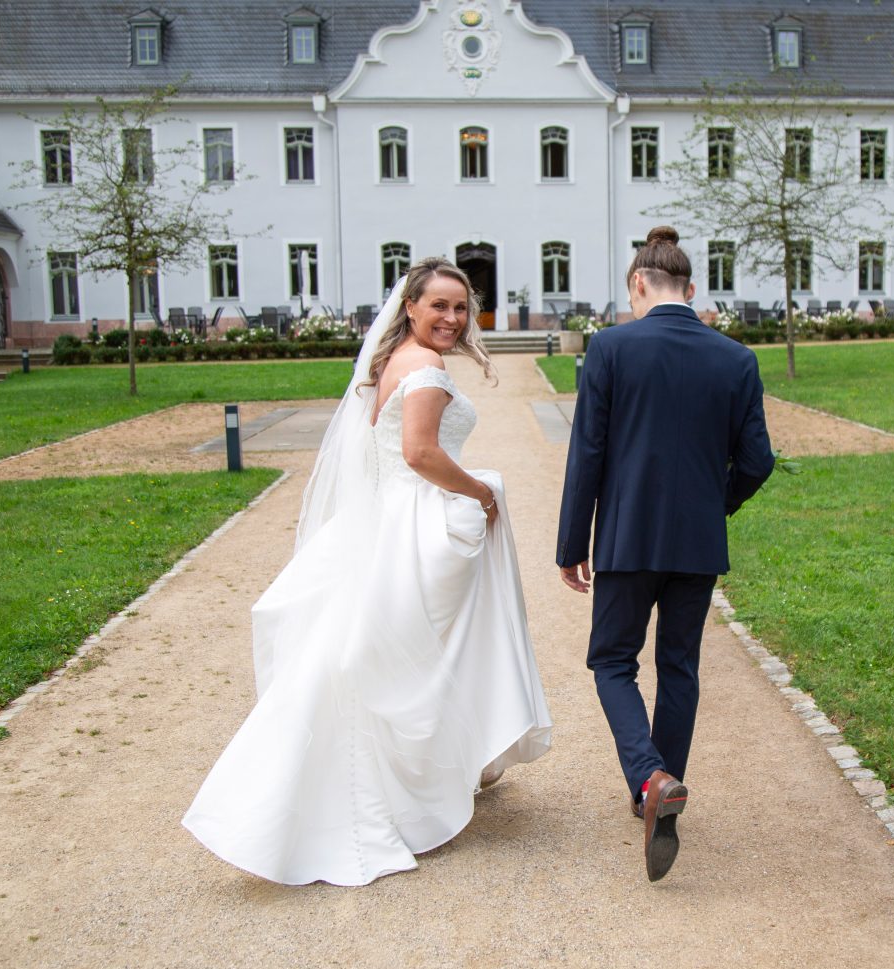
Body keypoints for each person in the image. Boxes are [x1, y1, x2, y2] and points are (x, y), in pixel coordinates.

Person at [183, 257, 552, 886]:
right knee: (417, 659)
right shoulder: (426, 366)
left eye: (460, 307)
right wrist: (481, 493)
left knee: (392, 653)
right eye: (439, 305)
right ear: (410, 306)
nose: (452, 318)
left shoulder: (394, 360)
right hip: (421, 520)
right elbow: (420, 453)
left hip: (390, 513)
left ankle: (437, 768)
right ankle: (395, 792)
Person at [556, 226, 774, 882]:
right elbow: (758, 461)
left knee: (611, 660)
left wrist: (572, 544)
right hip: (697, 544)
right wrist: (715, 503)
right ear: (692, 288)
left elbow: (587, 454)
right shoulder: (736, 359)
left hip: (627, 538)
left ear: (638, 284)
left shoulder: (610, 348)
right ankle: (660, 794)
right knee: (679, 666)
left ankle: (649, 779)